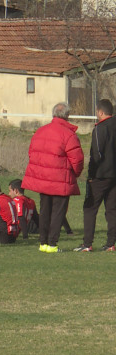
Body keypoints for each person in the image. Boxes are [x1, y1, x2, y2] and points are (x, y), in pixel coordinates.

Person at [22, 102, 84, 253]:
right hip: (61, 179)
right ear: (67, 116)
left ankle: (43, 243)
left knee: (44, 211)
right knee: (58, 213)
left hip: (43, 179)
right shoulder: (69, 135)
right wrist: (74, 173)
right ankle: (52, 243)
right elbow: (77, 159)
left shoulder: (40, 131)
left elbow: (32, 153)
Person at [75, 99, 116, 252]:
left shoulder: (100, 129)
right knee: (112, 209)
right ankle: (111, 243)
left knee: (90, 208)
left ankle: (87, 244)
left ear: (100, 112)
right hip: (114, 176)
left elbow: (97, 154)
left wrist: (91, 174)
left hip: (100, 176)